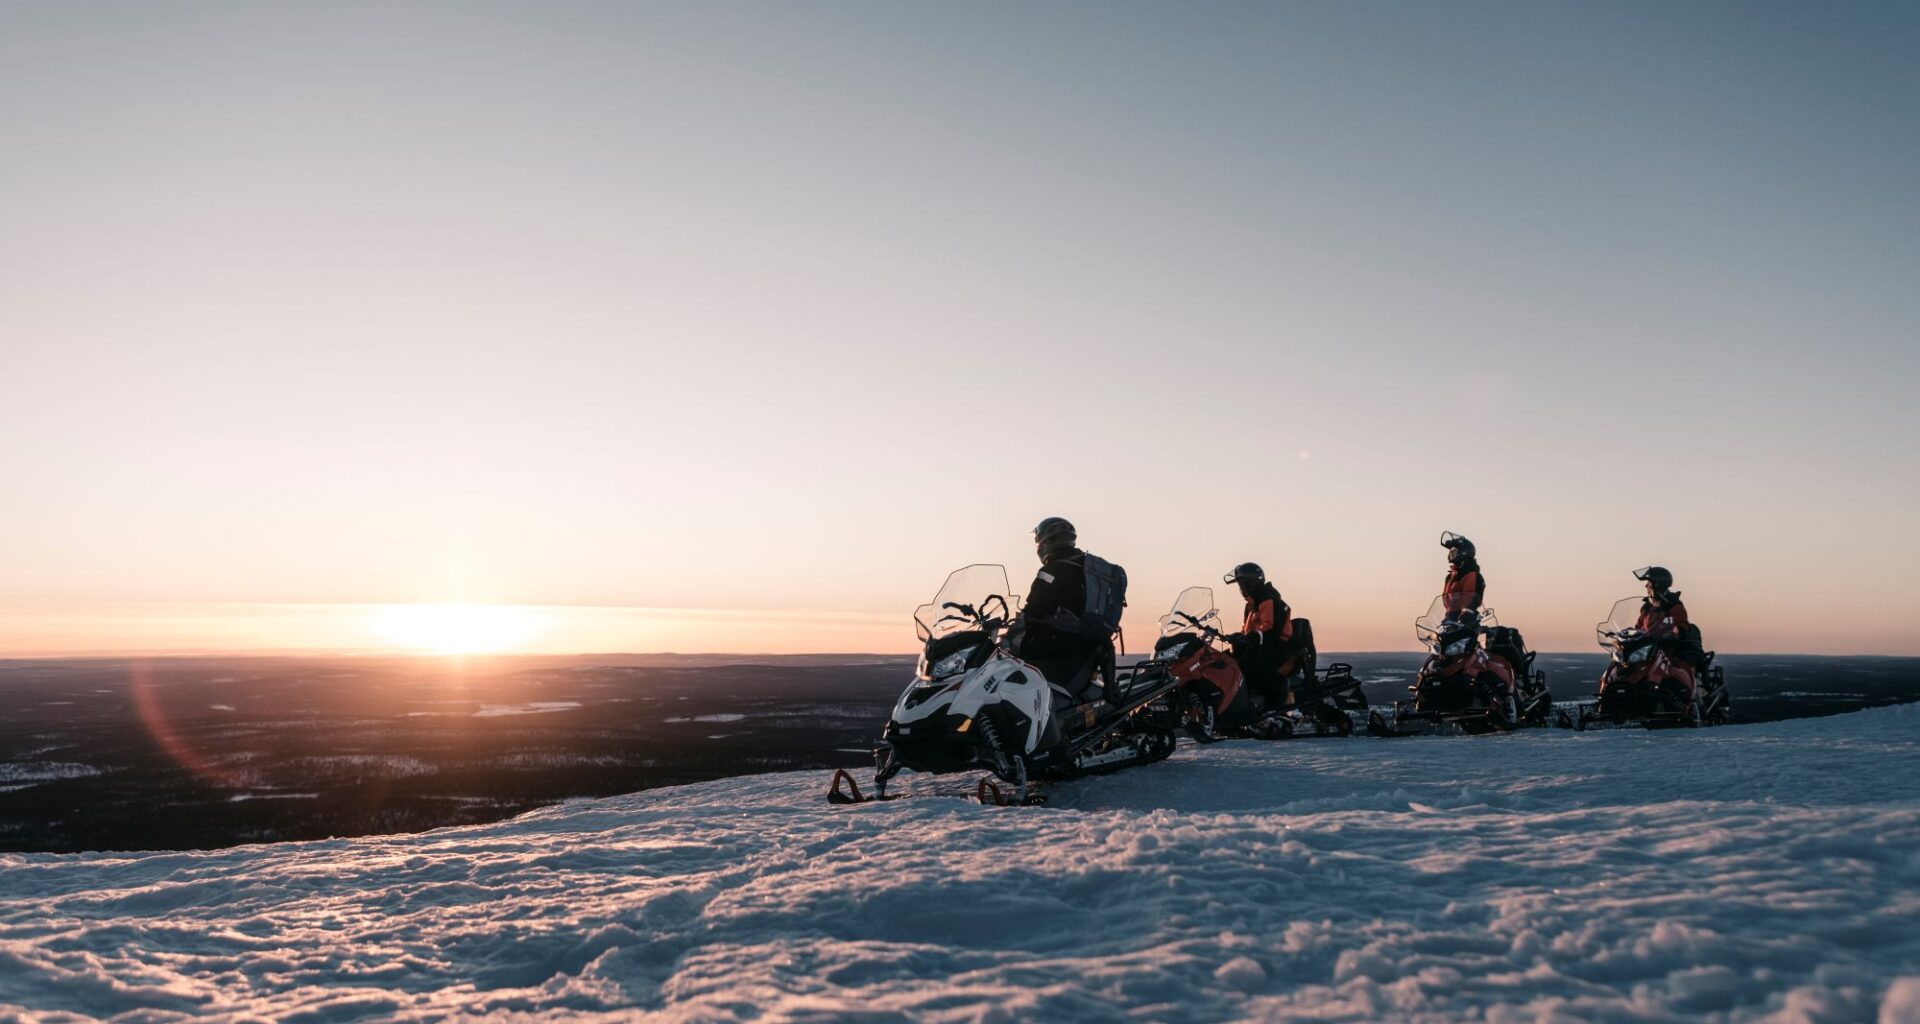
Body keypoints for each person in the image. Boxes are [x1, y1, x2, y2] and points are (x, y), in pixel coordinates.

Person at [1010, 517, 1104, 700]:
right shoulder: (1085, 567)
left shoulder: (1051, 571)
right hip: (1087, 641)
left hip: (1059, 643)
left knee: (1010, 647)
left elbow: (1033, 609)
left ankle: (1024, 703)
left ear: (1046, 544)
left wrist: (1016, 623)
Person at [1223, 562, 1294, 705]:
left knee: (1245, 666)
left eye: (1241, 585)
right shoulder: (1251, 603)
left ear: (1250, 583)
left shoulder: (1268, 599)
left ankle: (1267, 696)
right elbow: (1248, 629)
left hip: (1274, 646)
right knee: (1223, 659)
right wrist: (1238, 636)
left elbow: (1269, 627)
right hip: (1258, 645)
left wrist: (1254, 636)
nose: (1240, 589)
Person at [1633, 565, 1701, 699]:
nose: (1646, 586)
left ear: (1657, 585)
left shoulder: (1673, 604)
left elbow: (1682, 624)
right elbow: (1639, 627)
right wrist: (1631, 636)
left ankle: (1689, 697)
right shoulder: (1646, 607)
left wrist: (1676, 633)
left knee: (1679, 667)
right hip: (1650, 649)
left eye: (1649, 583)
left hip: (1671, 648)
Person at [1439, 532, 1485, 620]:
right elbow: (1447, 600)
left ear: (1463, 552)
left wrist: (1466, 613)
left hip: (1465, 620)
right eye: (1451, 552)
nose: (1451, 555)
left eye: (1454, 552)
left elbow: (1471, 597)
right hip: (1450, 619)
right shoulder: (1450, 576)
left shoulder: (1472, 575)